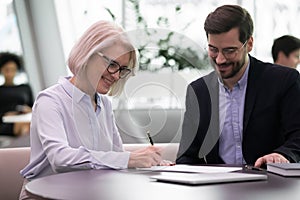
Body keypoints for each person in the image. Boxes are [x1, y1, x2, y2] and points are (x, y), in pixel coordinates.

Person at [19, 20, 166, 199]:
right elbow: (60, 159)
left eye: (122, 69)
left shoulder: (104, 104)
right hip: (45, 196)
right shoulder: (50, 101)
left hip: (89, 194)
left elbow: (115, 157)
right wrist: (129, 159)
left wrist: (150, 162)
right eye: (112, 64)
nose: (117, 75)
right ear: (88, 54)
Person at [176, 5, 300, 168]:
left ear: (249, 44)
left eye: (229, 51)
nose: (220, 59)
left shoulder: (283, 81)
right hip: (217, 188)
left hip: (272, 184)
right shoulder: (198, 91)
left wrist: (282, 155)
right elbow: (187, 157)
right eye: (213, 49)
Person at [0, 52, 33, 136]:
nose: (10, 73)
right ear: (1, 70)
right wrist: (5, 115)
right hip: (4, 123)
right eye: (7, 70)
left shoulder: (25, 88)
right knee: (25, 125)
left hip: (24, 117)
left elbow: (33, 106)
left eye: (13, 70)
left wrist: (29, 110)